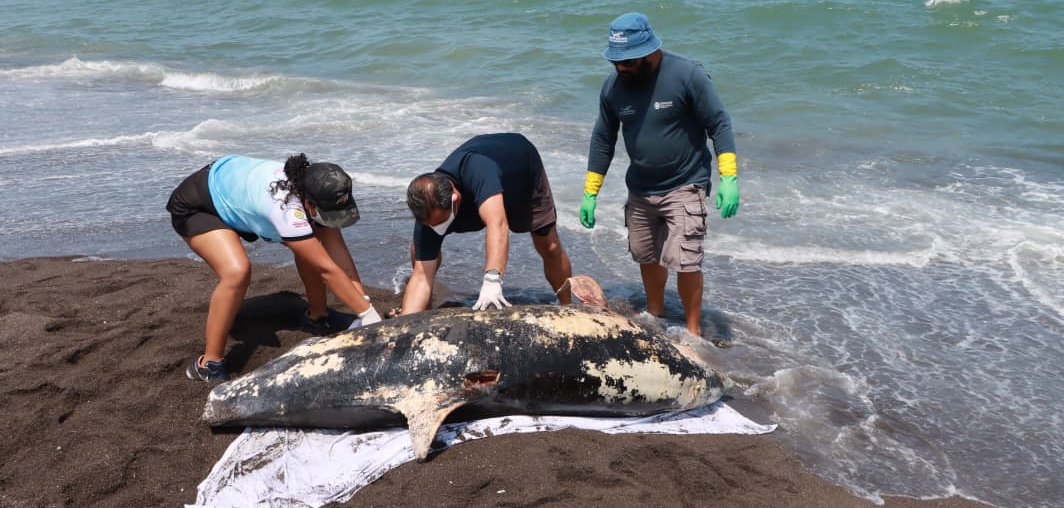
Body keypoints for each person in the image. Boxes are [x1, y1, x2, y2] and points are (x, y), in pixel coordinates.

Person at [580, 12, 740, 336]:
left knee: (686, 259)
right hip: (640, 188)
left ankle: (694, 333)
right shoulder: (613, 88)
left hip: (685, 182)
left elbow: (719, 123)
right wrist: (590, 192)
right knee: (646, 254)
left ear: (649, 51)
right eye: (617, 61)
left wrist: (729, 178)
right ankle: (656, 314)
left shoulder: (687, 75)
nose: (621, 67)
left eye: (628, 61)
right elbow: (603, 139)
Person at [166, 153, 382, 382]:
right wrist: (368, 316)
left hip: (235, 189)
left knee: (313, 247)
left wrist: (365, 306)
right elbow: (326, 269)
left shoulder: (317, 190)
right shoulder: (285, 207)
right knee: (236, 271)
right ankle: (209, 363)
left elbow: (341, 261)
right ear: (308, 202)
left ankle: (318, 316)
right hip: (200, 205)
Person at [401, 133, 572, 314]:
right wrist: (405, 323)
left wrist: (492, 279)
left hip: (521, 172)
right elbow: (421, 276)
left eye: (441, 222)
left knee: (549, 246)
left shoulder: (478, 170)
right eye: (431, 224)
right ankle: (424, 310)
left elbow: (497, 224)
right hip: (484, 182)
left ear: (455, 199)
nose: (436, 228)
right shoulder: (428, 206)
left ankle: (567, 306)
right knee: (422, 248)